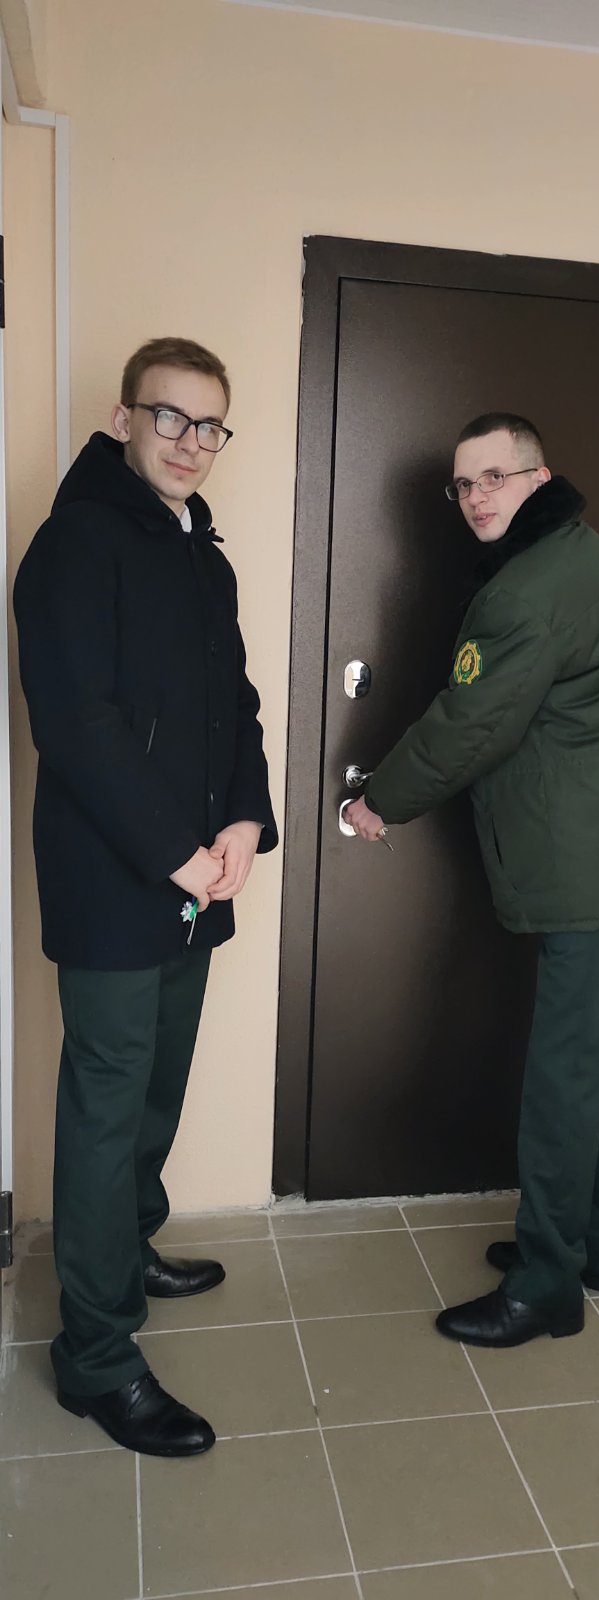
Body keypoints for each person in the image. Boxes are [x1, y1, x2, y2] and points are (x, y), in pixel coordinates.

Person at [345, 412, 599, 1350]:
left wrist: (378, 800)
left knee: (566, 1081)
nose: (477, 496)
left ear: (539, 477)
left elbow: (470, 722)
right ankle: (597, 1247)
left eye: (496, 476)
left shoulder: (531, 588)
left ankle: (544, 1286)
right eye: (464, 483)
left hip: (586, 869)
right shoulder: (574, 555)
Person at [14, 336, 277, 1454]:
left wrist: (244, 823)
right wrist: (177, 851)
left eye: (209, 425)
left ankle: (129, 1243)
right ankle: (97, 1355)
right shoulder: (76, 542)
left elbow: (236, 704)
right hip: (119, 882)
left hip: (195, 875)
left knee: (157, 1086)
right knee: (108, 1105)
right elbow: (76, 723)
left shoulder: (199, 553)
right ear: (124, 418)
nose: (190, 442)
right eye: (170, 417)